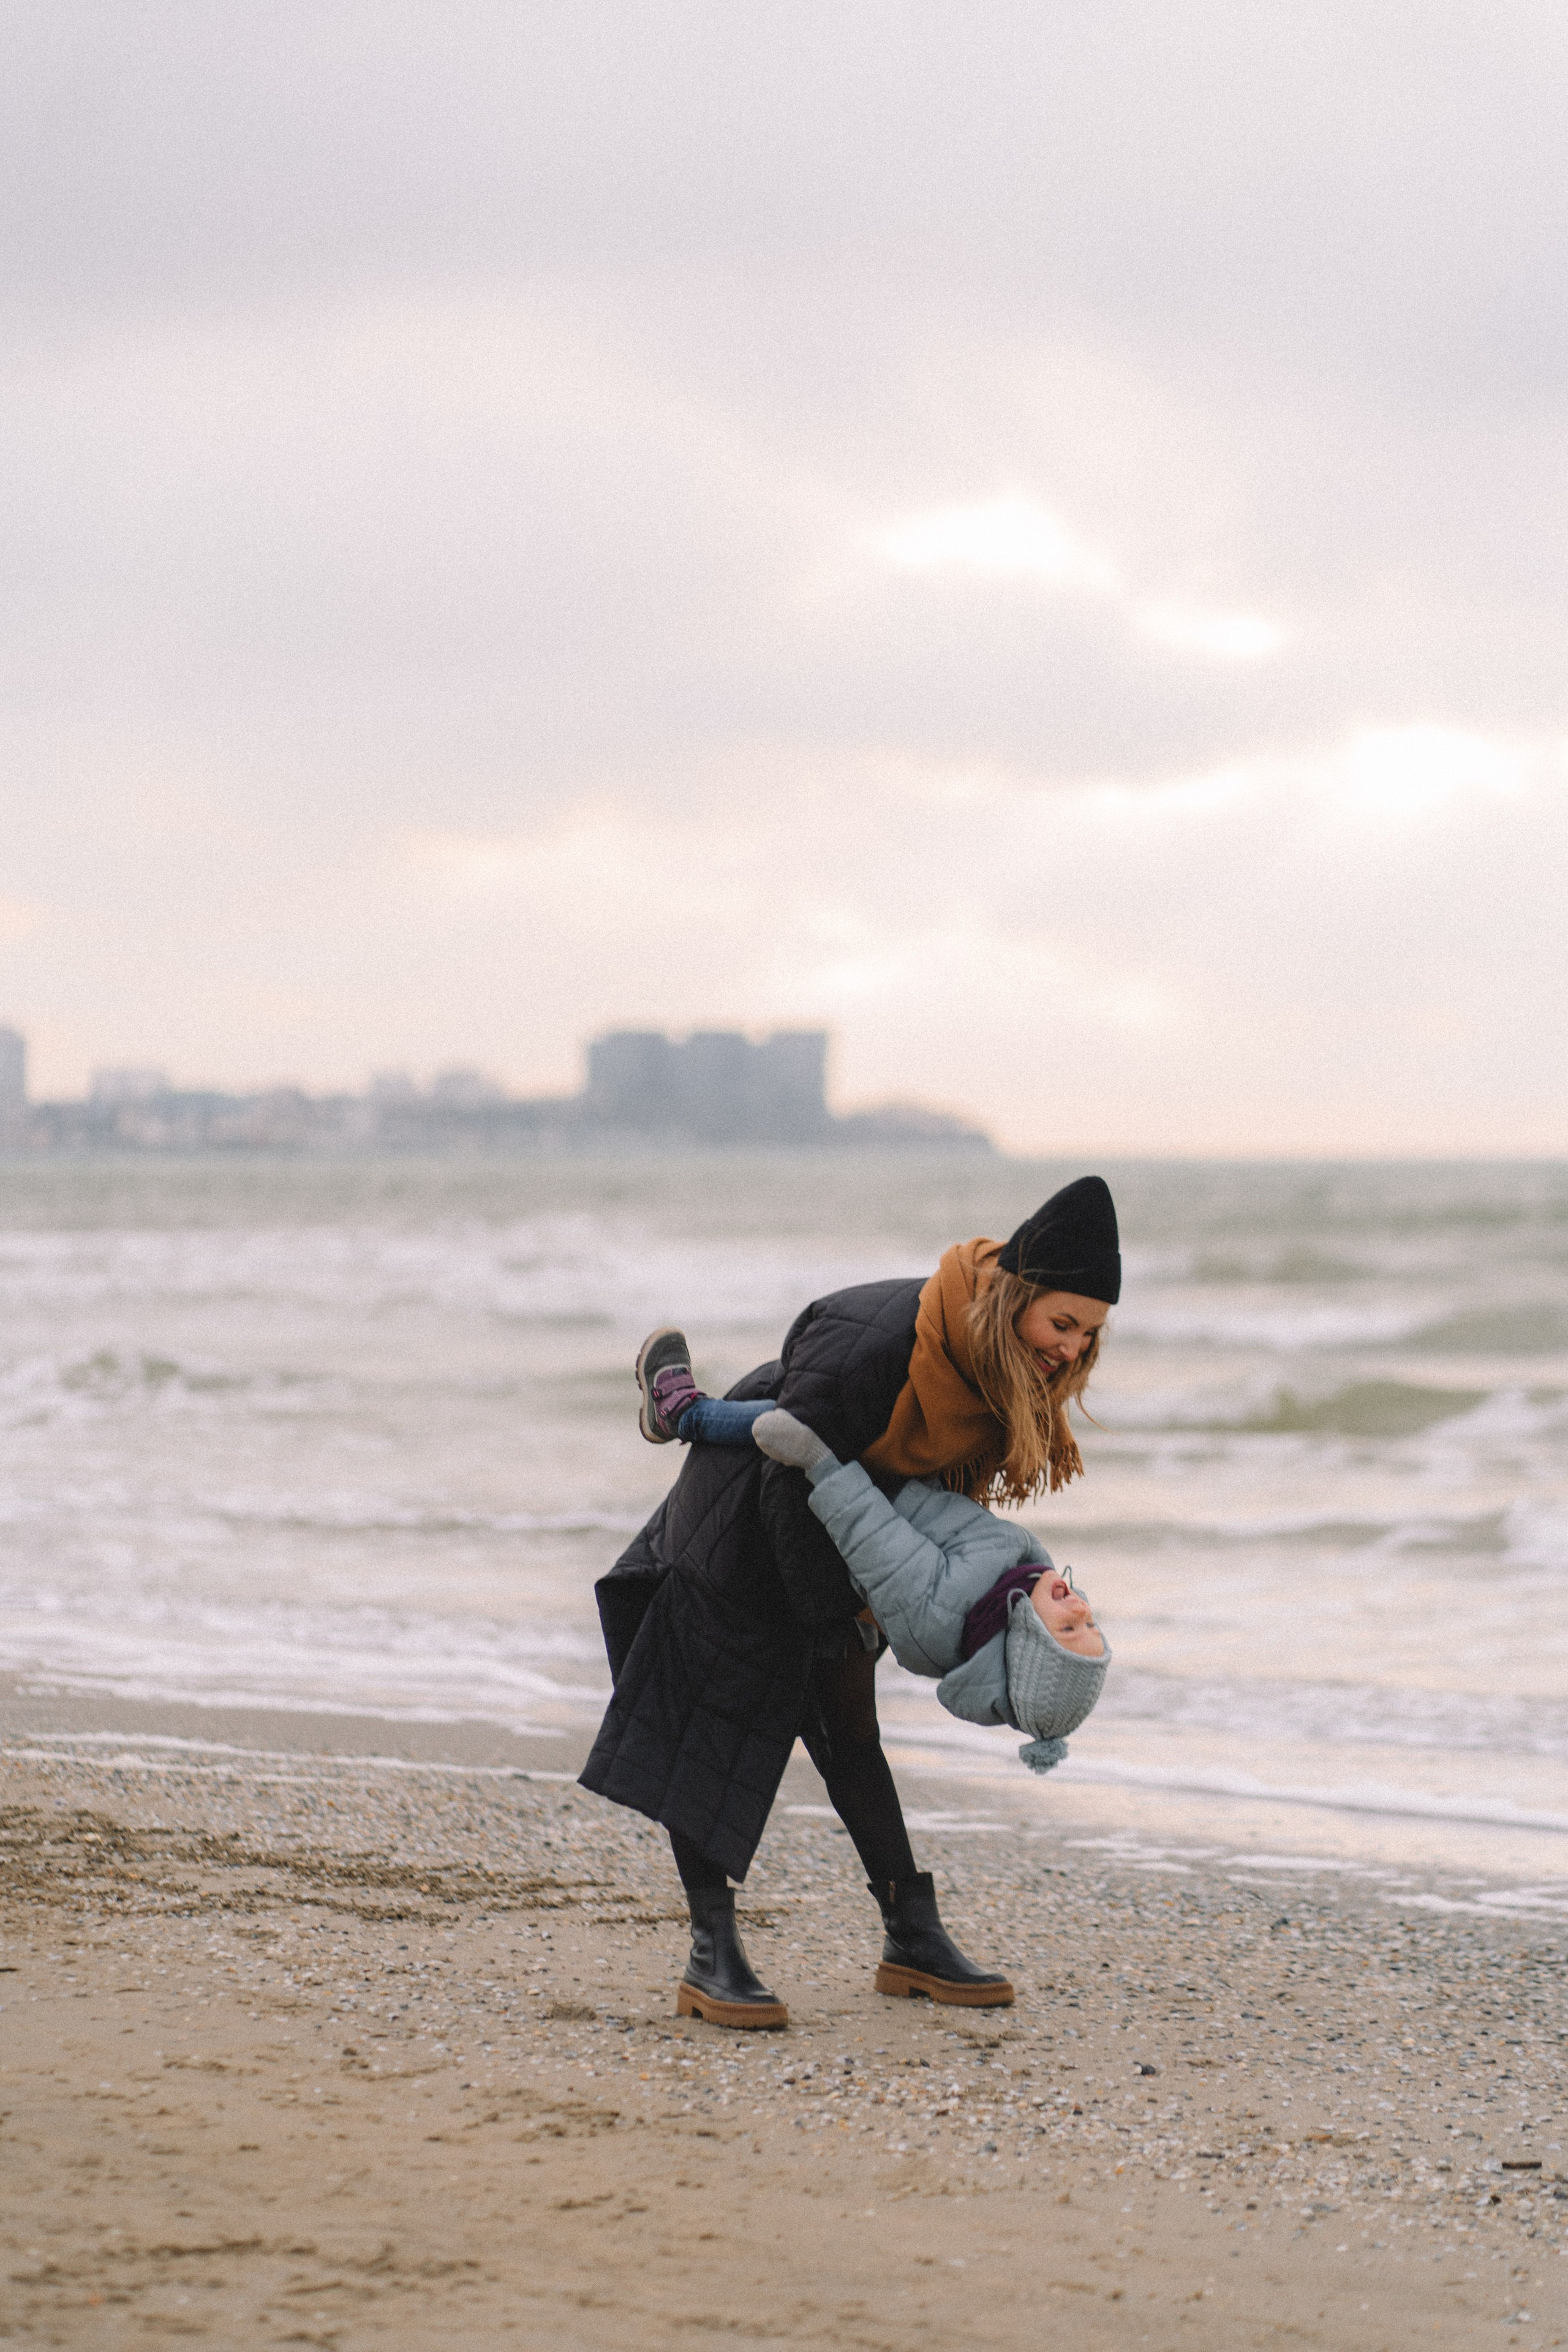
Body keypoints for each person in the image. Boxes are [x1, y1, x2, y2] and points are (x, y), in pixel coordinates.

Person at [579, 1175, 1120, 2030]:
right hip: (753, 1492)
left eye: (1090, 1333)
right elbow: (792, 1466)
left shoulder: (1002, 1365)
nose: (1072, 1349)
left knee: (851, 1734)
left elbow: (932, 1494)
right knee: (709, 1720)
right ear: (1016, 1296)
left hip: (846, 1528)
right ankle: (711, 1953)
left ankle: (912, 1936)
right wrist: (846, 1613)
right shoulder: (880, 1344)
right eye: (1063, 1324)